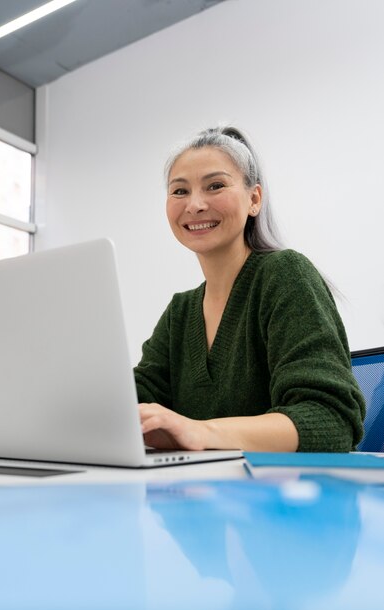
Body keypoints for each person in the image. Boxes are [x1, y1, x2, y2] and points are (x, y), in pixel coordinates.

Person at [134, 126, 365, 452]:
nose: (195, 205)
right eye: (180, 191)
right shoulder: (181, 312)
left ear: (254, 199)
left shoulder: (286, 275)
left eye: (215, 186)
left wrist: (202, 432)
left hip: (291, 496)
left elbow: (331, 419)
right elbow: (139, 395)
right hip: (207, 494)